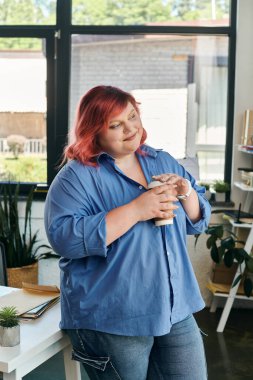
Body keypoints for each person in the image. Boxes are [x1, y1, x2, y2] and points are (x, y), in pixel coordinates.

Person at [44, 85, 211, 380]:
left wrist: (186, 193)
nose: (130, 128)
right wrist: (136, 210)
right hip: (113, 317)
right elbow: (65, 238)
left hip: (174, 306)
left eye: (132, 116)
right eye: (115, 124)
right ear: (94, 131)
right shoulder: (75, 178)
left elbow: (198, 220)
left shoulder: (161, 160)